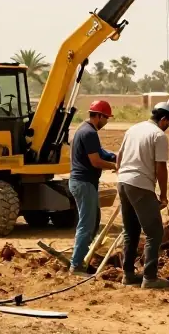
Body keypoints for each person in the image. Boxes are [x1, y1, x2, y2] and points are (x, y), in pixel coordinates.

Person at [116, 101, 169, 289]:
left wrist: (123, 174)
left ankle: (128, 275)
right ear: (163, 119)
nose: (168, 126)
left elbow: (119, 158)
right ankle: (150, 278)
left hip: (123, 182)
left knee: (131, 230)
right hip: (140, 184)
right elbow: (161, 167)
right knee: (155, 232)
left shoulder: (133, 129)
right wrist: (163, 195)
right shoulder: (158, 135)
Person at [68, 100, 118, 276]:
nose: (106, 121)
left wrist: (115, 157)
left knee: (94, 221)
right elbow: (95, 161)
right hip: (84, 183)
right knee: (86, 225)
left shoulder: (84, 130)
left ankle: (82, 258)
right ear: (98, 116)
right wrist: (115, 166)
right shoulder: (89, 133)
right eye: (106, 118)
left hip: (83, 182)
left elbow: (100, 152)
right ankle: (76, 265)